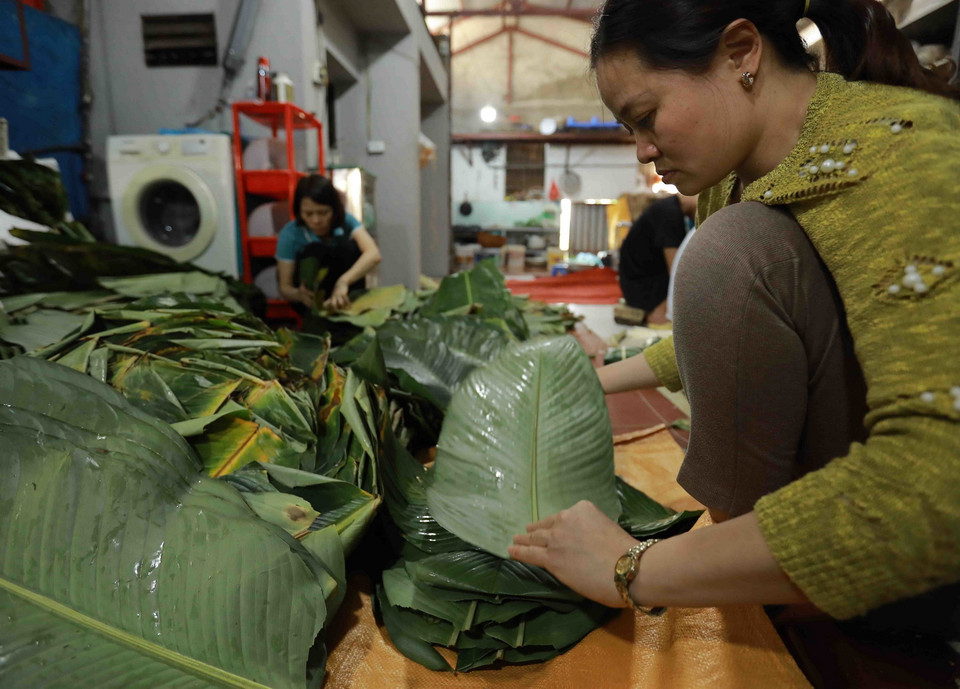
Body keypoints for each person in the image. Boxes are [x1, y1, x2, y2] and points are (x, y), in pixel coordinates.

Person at [509, 0, 960, 638]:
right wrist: (594, 381)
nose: (643, 151)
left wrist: (631, 567)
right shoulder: (732, 177)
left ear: (741, 53)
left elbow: (940, 484)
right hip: (796, 512)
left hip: (912, 567)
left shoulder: (905, 156)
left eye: (645, 118)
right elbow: (729, 337)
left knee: (728, 252)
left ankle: (780, 597)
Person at [275, 175, 380, 311]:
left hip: (344, 292)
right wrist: (300, 295)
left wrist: (343, 282)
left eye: (323, 213)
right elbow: (285, 288)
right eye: (308, 214)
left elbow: (373, 254)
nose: (316, 220)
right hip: (310, 299)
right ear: (299, 212)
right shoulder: (290, 234)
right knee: (313, 250)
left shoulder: (345, 221)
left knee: (350, 248)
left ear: (334, 210)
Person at [618, 193, 697, 323]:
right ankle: (659, 314)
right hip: (642, 289)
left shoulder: (669, 207)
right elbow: (677, 272)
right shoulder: (669, 213)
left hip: (635, 283)